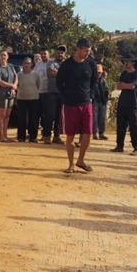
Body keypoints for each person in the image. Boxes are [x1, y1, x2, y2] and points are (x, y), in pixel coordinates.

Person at [57, 38, 99, 173]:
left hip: (86, 104)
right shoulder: (66, 65)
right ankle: (70, 164)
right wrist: (67, 96)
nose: (87, 53)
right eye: (85, 51)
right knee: (70, 136)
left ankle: (81, 160)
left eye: (89, 51)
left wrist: (90, 96)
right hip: (70, 105)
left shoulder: (91, 64)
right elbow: (59, 83)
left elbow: (94, 82)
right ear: (78, 49)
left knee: (88, 134)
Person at [112, 58, 137, 153]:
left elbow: (132, 86)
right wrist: (126, 85)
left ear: (133, 63)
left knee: (133, 126)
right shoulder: (124, 73)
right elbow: (118, 86)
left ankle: (136, 147)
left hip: (132, 103)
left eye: (128, 61)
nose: (126, 63)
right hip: (122, 102)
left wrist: (124, 84)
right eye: (125, 61)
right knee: (120, 125)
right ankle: (119, 145)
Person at [40, 46, 66, 144]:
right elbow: (50, 72)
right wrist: (63, 74)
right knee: (49, 115)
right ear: (55, 53)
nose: (60, 54)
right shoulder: (51, 63)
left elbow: (69, 74)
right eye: (58, 52)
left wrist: (58, 73)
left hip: (62, 93)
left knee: (59, 116)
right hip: (51, 92)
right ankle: (46, 135)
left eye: (62, 53)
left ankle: (56, 136)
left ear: (64, 54)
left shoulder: (66, 64)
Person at [0, 50, 19, 143]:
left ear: (7, 57)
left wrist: (14, 86)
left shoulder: (11, 66)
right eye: (1, 55)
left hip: (11, 94)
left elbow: (16, 77)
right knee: (1, 115)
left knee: (7, 115)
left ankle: (6, 136)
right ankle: (1, 136)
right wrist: (11, 86)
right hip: (2, 93)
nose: (3, 56)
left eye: (5, 55)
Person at [15, 57, 41, 143]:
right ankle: (21, 137)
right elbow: (17, 85)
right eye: (25, 63)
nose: (26, 65)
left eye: (28, 63)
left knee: (33, 118)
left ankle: (33, 137)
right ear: (23, 64)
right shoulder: (19, 74)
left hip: (33, 99)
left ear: (31, 65)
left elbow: (38, 85)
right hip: (21, 99)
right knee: (21, 118)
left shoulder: (35, 74)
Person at [91, 63, 109, 142]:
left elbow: (106, 90)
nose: (98, 74)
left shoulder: (103, 81)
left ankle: (101, 133)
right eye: (97, 72)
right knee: (94, 118)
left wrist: (105, 99)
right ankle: (94, 133)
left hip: (102, 101)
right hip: (94, 100)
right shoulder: (92, 80)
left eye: (99, 72)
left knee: (102, 117)